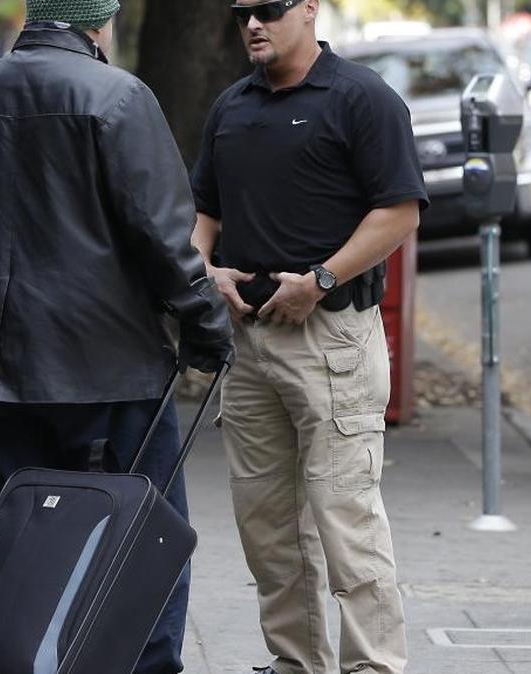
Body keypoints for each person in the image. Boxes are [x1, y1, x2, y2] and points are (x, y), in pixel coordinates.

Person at [0, 1, 234, 672]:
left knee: (27, 544)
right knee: (140, 544)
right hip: (113, 370)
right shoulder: (118, 95)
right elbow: (163, 236)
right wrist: (206, 327)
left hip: (6, 367)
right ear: (99, 22)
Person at [189, 1, 428, 673]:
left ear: (310, 11)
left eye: (268, 10)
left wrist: (319, 280)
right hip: (251, 342)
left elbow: (399, 211)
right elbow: (204, 210)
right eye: (241, 14)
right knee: (267, 531)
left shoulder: (362, 98)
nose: (253, 25)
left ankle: (372, 666)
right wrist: (205, 270)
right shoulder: (231, 106)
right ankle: (297, 663)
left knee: (347, 524)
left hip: (332, 343)